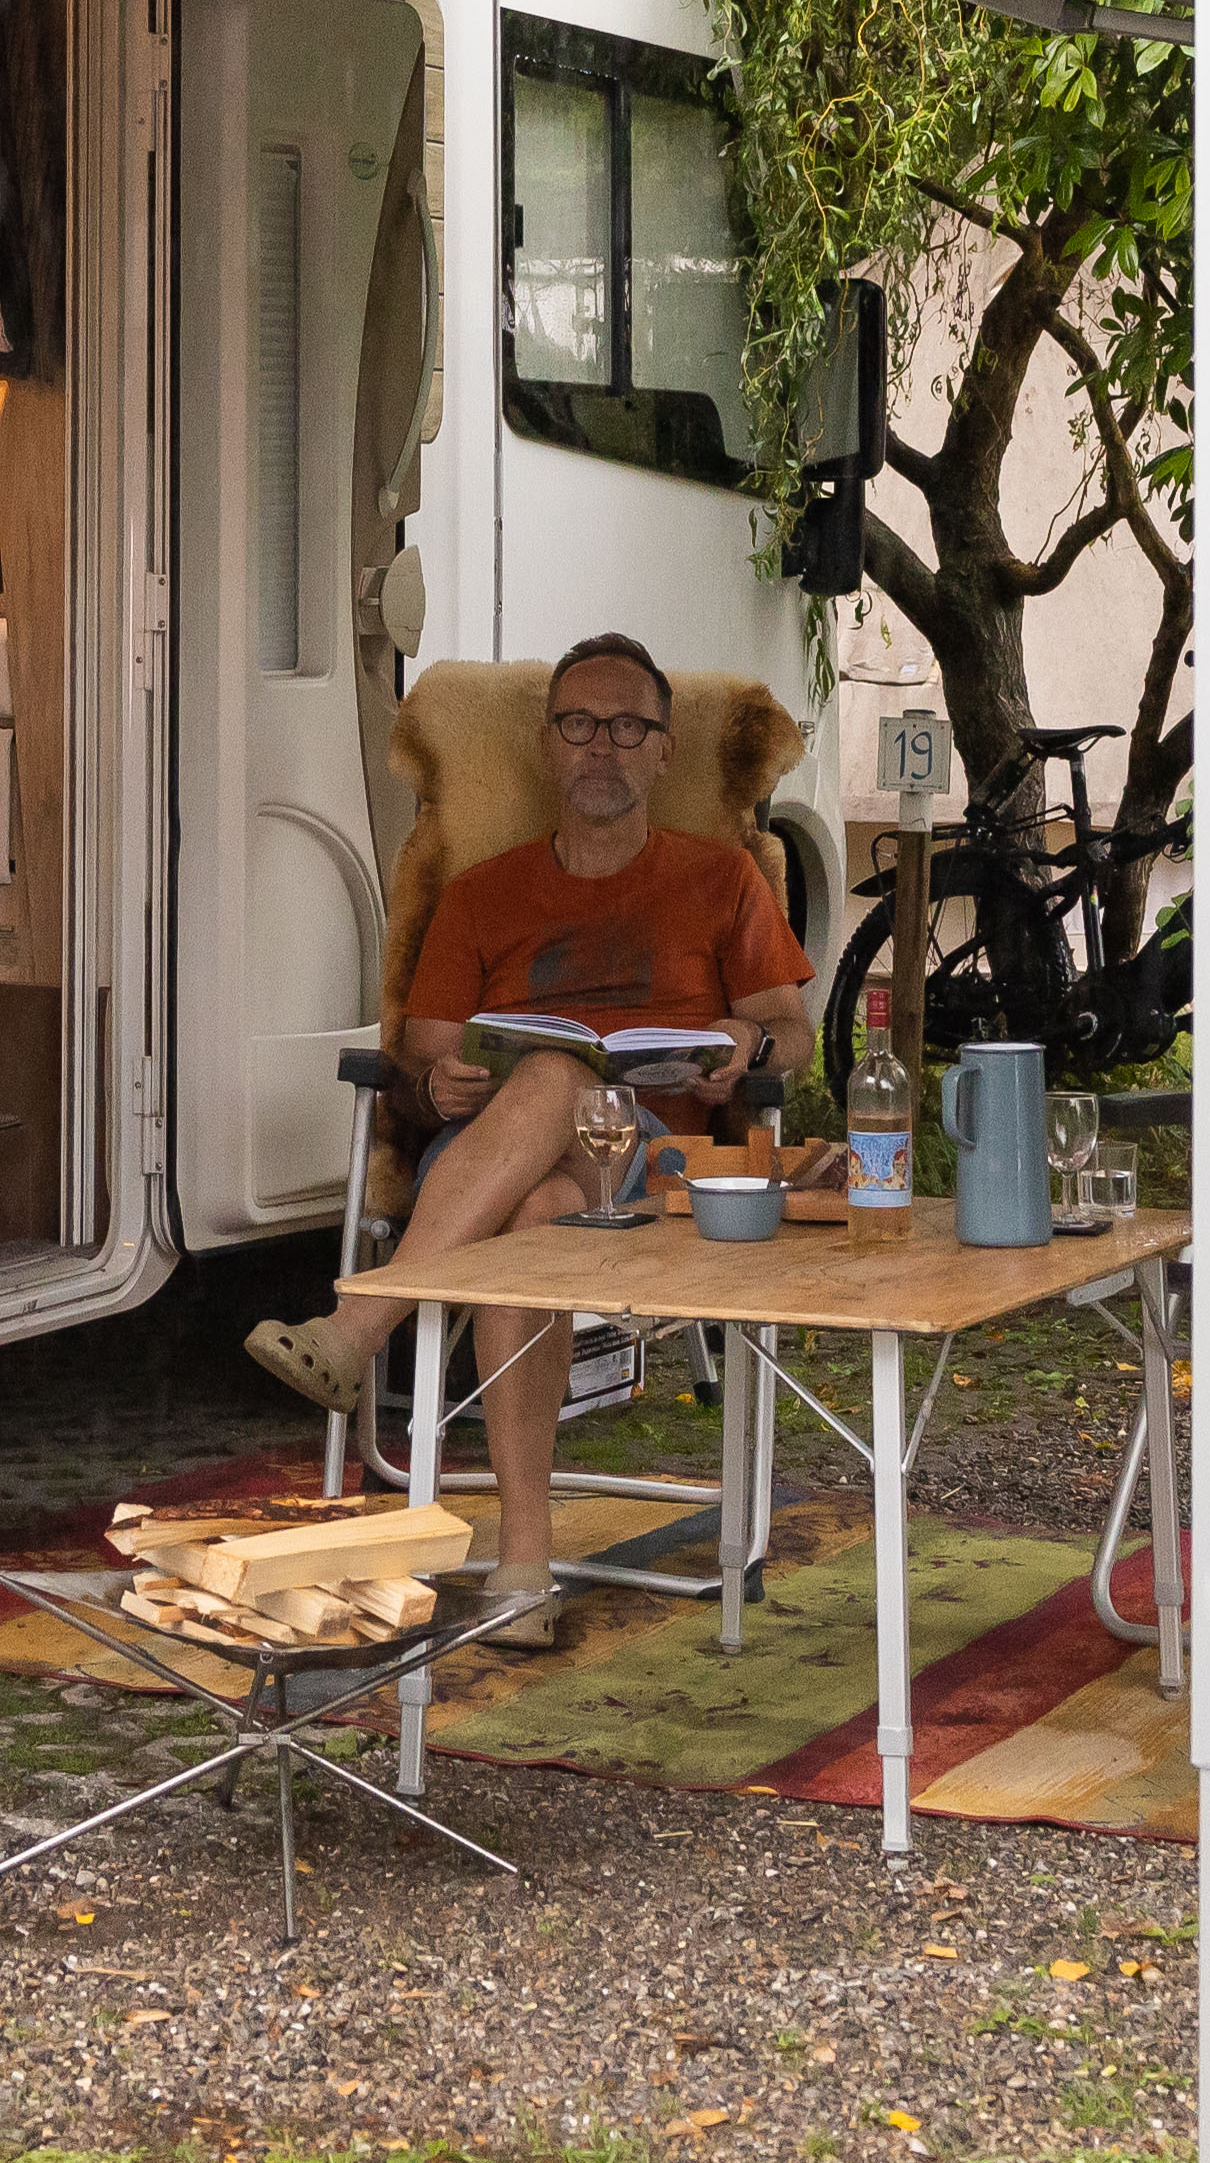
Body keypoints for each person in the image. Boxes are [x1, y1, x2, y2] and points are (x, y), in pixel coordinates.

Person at [245, 631, 816, 1631]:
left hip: (652, 1168)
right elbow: (421, 1061)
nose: (601, 746)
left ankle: (360, 1328)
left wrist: (743, 1044)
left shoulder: (721, 879)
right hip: (497, 1170)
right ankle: (522, 1573)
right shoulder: (480, 895)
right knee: (536, 1201)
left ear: (662, 750)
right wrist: (441, 1084)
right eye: (579, 725)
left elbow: (792, 1035)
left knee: (559, 1076)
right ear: (548, 746)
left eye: (626, 726)